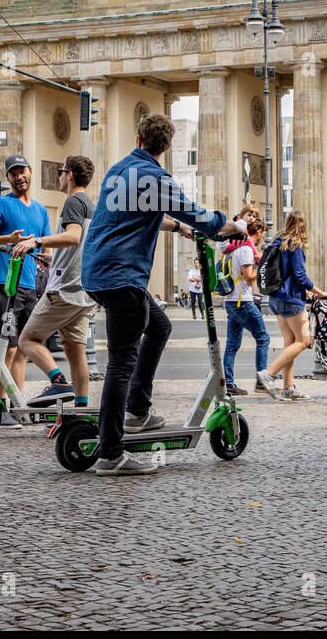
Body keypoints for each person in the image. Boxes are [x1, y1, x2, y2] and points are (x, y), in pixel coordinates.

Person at [81, 112, 240, 477]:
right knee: (121, 362)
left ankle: (138, 410)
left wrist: (176, 228)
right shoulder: (158, 177)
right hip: (123, 277)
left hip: (98, 272)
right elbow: (199, 215)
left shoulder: (118, 171)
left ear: (139, 139)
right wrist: (225, 225)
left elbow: (136, 211)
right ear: (167, 146)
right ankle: (110, 453)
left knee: (160, 326)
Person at [0, 153, 52, 428]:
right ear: (8, 177)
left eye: (22, 172)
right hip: (3, 284)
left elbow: (45, 248)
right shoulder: (1, 204)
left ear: (31, 172)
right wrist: (7, 239)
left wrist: (46, 259)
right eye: (13, 173)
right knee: (5, 350)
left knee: (21, 349)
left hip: (30, 285)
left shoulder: (41, 211)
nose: (19, 177)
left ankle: (17, 405)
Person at [15, 154, 97, 409]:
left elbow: (73, 237)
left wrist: (36, 240)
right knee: (75, 351)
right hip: (83, 290)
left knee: (27, 341)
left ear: (70, 175)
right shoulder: (90, 205)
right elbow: (80, 247)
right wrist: (53, 260)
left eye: (61, 172)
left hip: (63, 290)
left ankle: (59, 382)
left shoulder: (73, 201)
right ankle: (80, 414)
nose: (59, 176)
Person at [261, 211, 327, 400]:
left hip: (275, 297)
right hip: (290, 300)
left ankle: (288, 388)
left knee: (290, 343)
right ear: (303, 225)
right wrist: (318, 292)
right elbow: (300, 275)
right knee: (304, 341)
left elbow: (286, 273)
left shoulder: (278, 241)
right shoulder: (296, 244)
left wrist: (305, 291)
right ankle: (269, 374)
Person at [222, 218, 270, 397]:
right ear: (257, 232)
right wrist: (262, 267)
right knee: (263, 337)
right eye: (262, 236)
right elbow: (249, 277)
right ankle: (261, 382)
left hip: (230, 301)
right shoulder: (245, 250)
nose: (260, 241)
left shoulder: (233, 249)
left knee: (232, 345)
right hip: (243, 301)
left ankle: (228, 383)